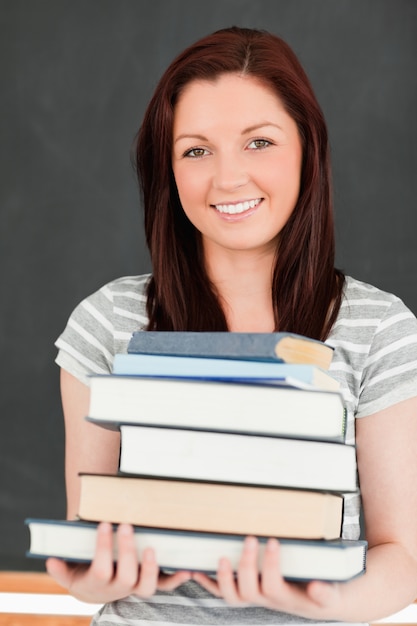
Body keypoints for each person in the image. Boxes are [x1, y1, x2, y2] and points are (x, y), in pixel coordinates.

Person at [47, 26, 417, 625]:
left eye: (259, 142)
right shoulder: (107, 322)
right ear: (168, 171)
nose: (228, 179)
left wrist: (324, 598)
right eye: (196, 150)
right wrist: (91, 575)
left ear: (307, 150)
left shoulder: (379, 329)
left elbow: (404, 558)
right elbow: (87, 548)